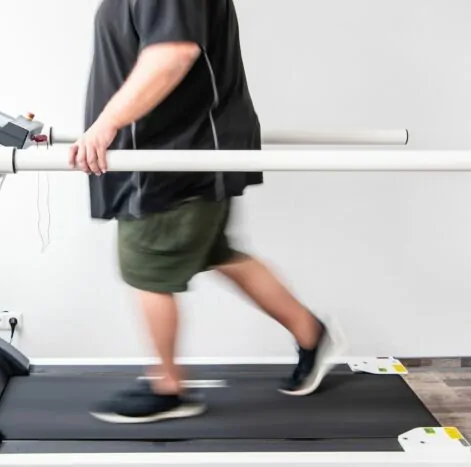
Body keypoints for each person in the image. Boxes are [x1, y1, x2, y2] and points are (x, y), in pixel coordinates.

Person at [69, 0, 346, 424]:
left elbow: (173, 53)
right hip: (180, 149)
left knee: (146, 264)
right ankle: (311, 333)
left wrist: (106, 124)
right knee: (215, 252)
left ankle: (167, 387)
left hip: (176, 154)